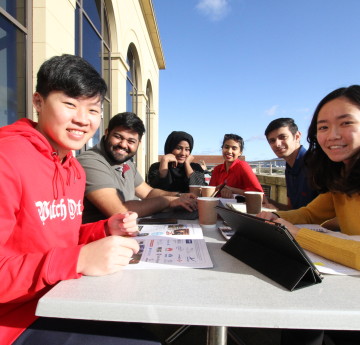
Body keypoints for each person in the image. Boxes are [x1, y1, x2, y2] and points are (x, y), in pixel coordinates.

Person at [0, 54, 161, 345]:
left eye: (93, 109)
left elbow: (58, 238)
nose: (82, 120)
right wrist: (79, 259)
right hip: (12, 321)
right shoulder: (6, 158)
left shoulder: (72, 168)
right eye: (70, 104)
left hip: (60, 296)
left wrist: (104, 230)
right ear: (38, 102)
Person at [259, 85, 360, 345]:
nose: (332, 135)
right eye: (324, 127)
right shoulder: (342, 176)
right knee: (298, 321)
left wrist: (297, 234)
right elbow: (311, 212)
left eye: (346, 122)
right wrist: (272, 218)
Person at [77, 113, 197, 223]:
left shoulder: (126, 162)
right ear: (107, 132)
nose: (123, 145)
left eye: (131, 141)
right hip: (98, 240)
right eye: (118, 137)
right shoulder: (90, 161)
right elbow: (119, 211)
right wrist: (169, 201)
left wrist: (178, 196)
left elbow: (148, 193)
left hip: (124, 233)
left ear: (138, 144)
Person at [264, 117, 318, 210]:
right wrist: (267, 201)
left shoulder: (315, 164)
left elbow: (327, 214)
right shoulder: (289, 168)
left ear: (297, 136)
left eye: (282, 137)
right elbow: (292, 209)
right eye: (272, 140)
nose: (277, 144)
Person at [209, 133, 263, 198]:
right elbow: (209, 193)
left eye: (234, 148)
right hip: (217, 206)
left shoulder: (242, 166)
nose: (229, 151)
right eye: (226, 147)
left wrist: (232, 190)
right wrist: (219, 188)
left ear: (240, 152)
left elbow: (258, 193)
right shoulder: (217, 169)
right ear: (222, 148)